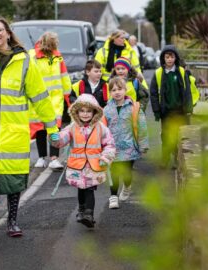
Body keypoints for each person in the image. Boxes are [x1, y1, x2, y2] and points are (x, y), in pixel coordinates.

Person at [0, 17, 59, 239]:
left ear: (8, 33)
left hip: (14, 132)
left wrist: (52, 127)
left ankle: (12, 221)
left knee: (12, 178)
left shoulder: (25, 61)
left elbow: (40, 97)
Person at [49, 94, 116, 227]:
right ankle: (81, 208)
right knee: (81, 188)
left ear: (94, 112)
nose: (85, 114)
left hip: (94, 165)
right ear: (76, 112)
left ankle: (89, 215)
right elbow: (62, 140)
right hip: (77, 166)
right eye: (82, 111)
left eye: (89, 111)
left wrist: (105, 157)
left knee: (90, 189)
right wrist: (55, 138)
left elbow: (110, 144)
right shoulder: (72, 127)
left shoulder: (101, 128)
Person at [103, 77, 149, 209]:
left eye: (119, 89)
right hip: (113, 148)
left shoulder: (134, 107)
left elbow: (142, 126)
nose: (117, 92)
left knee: (127, 172)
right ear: (110, 92)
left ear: (125, 90)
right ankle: (113, 197)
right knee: (114, 172)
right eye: (113, 90)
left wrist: (143, 144)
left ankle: (127, 186)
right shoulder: (106, 109)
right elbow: (102, 128)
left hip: (130, 147)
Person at [28, 31, 72, 170]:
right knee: (40, 128)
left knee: (53, 129)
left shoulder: (57, 57)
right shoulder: (33, 56)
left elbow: (64, 76)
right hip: (39, 98)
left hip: (54, 99)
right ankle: (43, 157)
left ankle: (52, 158)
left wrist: (67, 95)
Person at [149, 44, 193, 168]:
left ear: (175, 58)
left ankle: (177, 159)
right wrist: (157, 111)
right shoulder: (158, 73)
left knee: (180, 136)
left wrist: (188, 108)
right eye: (167, 57)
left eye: (172, 57)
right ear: (163, 58)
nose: (169, 59)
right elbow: (153, 94)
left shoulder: (181, 72)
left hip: (180, 111)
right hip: (166, 112)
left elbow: (187, 91)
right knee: (166, 136)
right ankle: (165, 158)